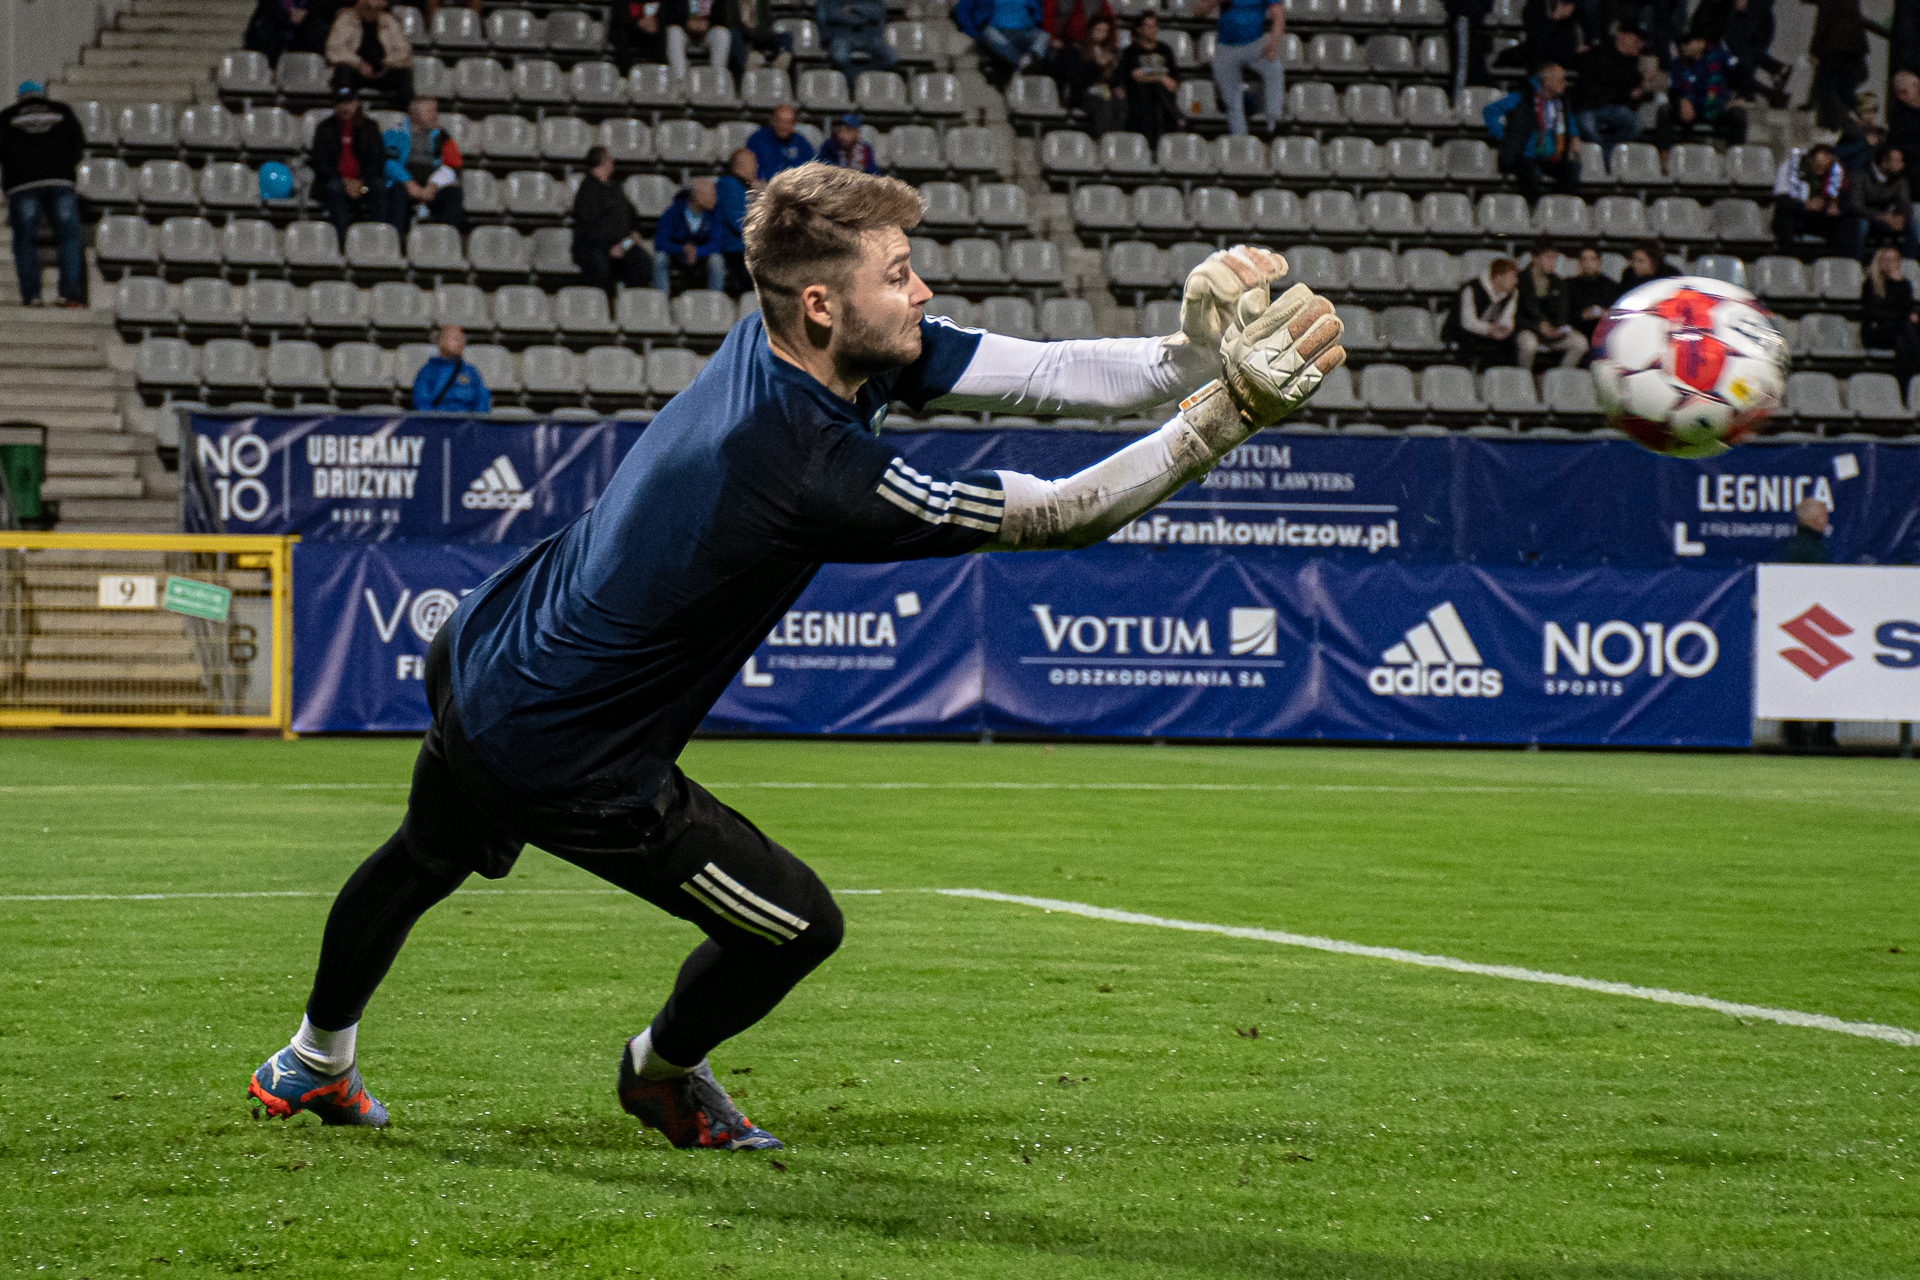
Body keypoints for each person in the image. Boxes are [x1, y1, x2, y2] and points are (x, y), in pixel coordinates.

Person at [242, 163, 1344, 1150]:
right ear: (823, 303)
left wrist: (1189, 349)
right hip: (566, 751)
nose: (921, 293)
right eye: (899, 275)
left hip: (488, 646)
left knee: (420, 858)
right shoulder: (806, 462)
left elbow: (1050, 373)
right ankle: (657, 1073)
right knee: (797, 928)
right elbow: (1062, 512)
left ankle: (314, 1058)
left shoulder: (794, 341)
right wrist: (1222, 418)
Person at [0, 82, 85, 309]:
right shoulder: (62, 111)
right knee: (69, 237)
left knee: (25, 240)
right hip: (60, 180)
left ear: (20, 98)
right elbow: (79, 144)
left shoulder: (7, 116)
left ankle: (32, 297)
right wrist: (64, 165)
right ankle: (68, 295)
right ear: (42, 95)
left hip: (22, 184)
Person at [1774, 498, 1837, 754]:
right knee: (1819, 676)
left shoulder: (1799, 546)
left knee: (1801, 676)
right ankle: (1817, 735)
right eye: (1824, 515)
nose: (1827, 520)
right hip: (1809, 622)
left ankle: (1798, 734)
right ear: (1813, 520)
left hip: (1803, 623)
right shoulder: (1809, 548)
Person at [308, 86, 387, 241]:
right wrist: (345, 181)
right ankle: (343, 240)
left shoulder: (370, 127)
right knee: (334, 188)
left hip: (363, 184)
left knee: (379, 187)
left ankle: (378, 237)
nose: (345, 107)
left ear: (356, 103)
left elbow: (377, 161)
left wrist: (361, 182)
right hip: (337, 182)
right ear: (335, 106)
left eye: (349, 102)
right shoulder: (324, 128)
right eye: (341, 103)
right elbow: (319, 163)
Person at [1196, 0, 1284, 137]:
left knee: (1274, 66)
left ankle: (1274, 121)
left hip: (1255, 43)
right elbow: (1198, 11)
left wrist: (1274, 42)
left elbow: (1278, 15)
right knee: (1231, 98)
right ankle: (1239, 137)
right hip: (1226, 46)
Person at [571, 145, 647, 300]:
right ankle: (605, 306)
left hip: (622, 243)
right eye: (609, 158)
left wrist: (634, 231)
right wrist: (609, 248)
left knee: (641, 261)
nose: (613, 161)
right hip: (594, 246)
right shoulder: (587, 191)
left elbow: (630, 212)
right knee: (600, 266)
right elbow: (588, 229)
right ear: (603, 162)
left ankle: (635, 304)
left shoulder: (615, 187)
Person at [381, 95, 464, 237]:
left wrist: (433, 184)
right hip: (404, 185)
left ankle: (446, 239)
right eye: (430, 111)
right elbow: (389, 163)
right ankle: (396, 240)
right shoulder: (395, 134)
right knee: (397, 193)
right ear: (415, 114)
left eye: (435, 111)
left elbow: (453, 165)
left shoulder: (442, 136)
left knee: (453, 194)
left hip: (433, 186)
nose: (435, 115)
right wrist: (409, 183)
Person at [1498, 63, 1581, 202]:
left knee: (1570, 169)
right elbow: (1516, 132)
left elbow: (1571, 126)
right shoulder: (1526, 100)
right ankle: (1531, 207)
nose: (1565, 84)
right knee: (1531, 172)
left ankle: (1560, 206)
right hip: (1526, 154)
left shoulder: (1562, 103)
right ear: (1547, 81)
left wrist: (1574, 138)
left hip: (1552, 155)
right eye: (1560, 80)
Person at [1651, 35, 1748, 151]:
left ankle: (1736, 154)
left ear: (1701, 42)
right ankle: (1664, 154)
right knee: (1664, 111)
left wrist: (1738, 97)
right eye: (1682, 43)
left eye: (1688, 43)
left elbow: (1740, 72)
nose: (1683, 47)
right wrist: (1681, 101)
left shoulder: (1720, 56)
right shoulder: (1677, 63)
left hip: (1716, 107)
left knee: (1738, 114)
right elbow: (1673, 89)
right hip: (1690, 108)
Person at [1572, 26, 1652, 158]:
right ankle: (1602, 160)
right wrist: (1629, 92)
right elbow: (1608, 82)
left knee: (1634, 124)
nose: (1638, 44)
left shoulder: (1631, 60)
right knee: (1590, 131)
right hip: (1587, 105)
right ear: (1621, 36)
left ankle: (1611, 154)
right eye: (1635, 39)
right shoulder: (1600, 53)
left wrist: (1636, 89)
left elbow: (1627, 88)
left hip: (1610, 106)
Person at [326, 0, 414, 108]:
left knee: (403, 74)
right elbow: (334, 49)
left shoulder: (389, 22)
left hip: (383, 70)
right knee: (342, 71)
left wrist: (385, 65)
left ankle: (397, 112)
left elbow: (404, 51)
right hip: (356, 71)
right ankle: (344, 107)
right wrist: (358, 63)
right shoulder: (346, 20)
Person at [1515, 241, 1587, 370]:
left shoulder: (1558, 283)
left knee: (1580, 343)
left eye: (1554, 258)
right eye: (1548, 257)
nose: (1552, 262)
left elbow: (1562, 311)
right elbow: (1516, 315)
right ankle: (1524, 377)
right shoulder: (1519, 281)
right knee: (1529, 345)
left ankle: (1559, 377)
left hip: (1553, 332)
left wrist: (1556, 328)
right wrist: (1538, 326)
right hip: (1529, 329)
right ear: (1535, 258)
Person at [1119, 13, 1183, 148]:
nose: (1152, 30)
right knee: (1153, 89)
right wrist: (1161, 78)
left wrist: (1152, 76)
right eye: (1148, 26)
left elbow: (1174, 83)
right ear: (1139, 29)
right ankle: (1176, 116)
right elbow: (1136, 75)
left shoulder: (1165, 50)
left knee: (1159, 92)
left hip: (1162, 100)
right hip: (1138, 100)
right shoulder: (1131, 52)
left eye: (1154, 26)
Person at [653, 177, 726, 295]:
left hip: (702, 255)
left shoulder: (715, 214)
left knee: (716, 260)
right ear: (698, 197)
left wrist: (696, 251)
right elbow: (660, 242)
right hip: (676, 255)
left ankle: (715, 298)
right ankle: (662, 297)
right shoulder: (673, 213)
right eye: (711, 194)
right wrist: (682, 249)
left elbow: (716, 244)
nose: (715, 198)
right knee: (659, 258)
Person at [1443, 257, 1521, 368]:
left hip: (1490, 331)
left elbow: (1508, 318)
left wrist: (1505, 329)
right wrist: (1490, 329)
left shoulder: (1512, 293)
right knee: (1468, 342)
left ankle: (1505, 374)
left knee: (1510, 343)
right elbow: (1468, 322)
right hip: (1462, 330)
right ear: (1499, 277)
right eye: (1512, 277)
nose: (1515, 281)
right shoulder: (1471, 289)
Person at [1844, 144, 1917, 260]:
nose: (1902, 165)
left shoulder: (1901, 180)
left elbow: (1905, 203)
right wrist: (1879, 216)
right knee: (1861, 226)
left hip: (1889, 218)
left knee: (1911, 226)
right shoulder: (1861, 175)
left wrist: (1901, 217)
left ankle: (1908, 265)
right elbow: (1856, 205)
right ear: (1884, 162)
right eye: (1897, 161)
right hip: (1867, 217)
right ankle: (1857, 262)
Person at [1771, 143, 1848, 252]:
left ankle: (1835, 258)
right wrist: (1805, 206)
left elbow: (1840, 195)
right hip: (1795, 214)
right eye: (1817, 165)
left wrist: (1831, 205)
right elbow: (1781, 200)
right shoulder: (1791, 166)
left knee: (1845, 221)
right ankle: (1786, 254)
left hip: (1818, 216)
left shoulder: (1834, 171)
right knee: (1784, 216)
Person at [1862, 244, 1920, 388]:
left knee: (1903, 342)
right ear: (1879, 262)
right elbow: (1874, 312)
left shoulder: (1904, 283)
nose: (1889, 263)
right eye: (1885, 260)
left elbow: (1908, 308)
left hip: (1899, 332)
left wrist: (1898, 283)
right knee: (1907, 333)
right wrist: (1901, 317)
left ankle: (1903, 384)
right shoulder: (1870, 284)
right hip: (1876, 331)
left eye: (1893, 260)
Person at [1806, 0, 1868, 132]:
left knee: (1826, 88)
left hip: (1832, 47)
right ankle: (1858, 120)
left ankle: (1830, 126)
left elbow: (1823, 22)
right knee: (1845, 88)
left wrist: (1814, 50)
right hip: (1852, 47)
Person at [1053, 15, 1122, 131]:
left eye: (1105, 31)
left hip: (1104, 91)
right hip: (1084, 93)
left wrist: (1113, 72)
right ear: (1091, 31)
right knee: (1102, 103)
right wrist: (1097, 65)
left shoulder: (1109, 53)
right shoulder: (1077, 50)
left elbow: (1114, 80)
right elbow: (1077, 78)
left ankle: (1115, 135)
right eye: (1098, 30)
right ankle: (1102, 136)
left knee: (1120, 100)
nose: (1101, 34)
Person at [954, 0, 1051, 76]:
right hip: (997, 33)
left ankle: (1030, 58)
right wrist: (972, 33)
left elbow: (1037, 15)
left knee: (1044, 36)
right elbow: (962, 12)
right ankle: (1020, 61)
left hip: (1024, 32)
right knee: (989, 33)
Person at [817, 0, 894, 94]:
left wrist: (853, 8)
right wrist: (859, 15)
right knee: (840, 57)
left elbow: (877, 11)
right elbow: (828, 15)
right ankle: (848, 91)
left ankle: (874, 91)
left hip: (868, 35)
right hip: (840, 35)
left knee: (889, 57)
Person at [410, 324, 491, 413]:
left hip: (468, 420)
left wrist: (475, 420)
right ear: (441, 341)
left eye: (462, 340)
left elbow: (483, 402)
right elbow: (422, 405)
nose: (460, 343)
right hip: (438, 419)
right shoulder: (427, 372)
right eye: (455, 339)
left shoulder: (471, 372)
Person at [712, 147, 757, 297]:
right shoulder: (730, 185)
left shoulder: (741, 187)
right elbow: (738, 221)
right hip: (733, 249)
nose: (756, 167)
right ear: (739, 166)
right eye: (753, 163)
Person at [244, 0, 333, 65]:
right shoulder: (268, 9)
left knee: (316, 28)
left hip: (308, 42)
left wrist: (307, 13)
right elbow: (253, 33)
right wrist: (286, 14)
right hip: (276, 36)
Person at [1565, 245, 1622, 344]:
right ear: (1579, 263)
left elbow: (1618, 313)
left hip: (1603, 333)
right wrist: (1581, 315)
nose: (1588, 263)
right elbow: (1563, 314)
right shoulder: (1569, 285)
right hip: (1577, 332)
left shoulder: (1610, 286)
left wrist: (1604, 313)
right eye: (1584, 260)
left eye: (1592, 259)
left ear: (1599, 262)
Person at [745, 103, 815, 180]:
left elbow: (810, 168)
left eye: (789, 122)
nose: (784, 126)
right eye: (781, 121)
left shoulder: (801, 143)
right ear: (773, 121)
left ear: (794, 124)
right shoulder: (757, 140)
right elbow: (749, 170)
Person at [668, 0, 734, 81]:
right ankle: (680, 79)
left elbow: (723, 17)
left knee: (722, 33)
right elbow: (670, 14)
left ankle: (717, 80)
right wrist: (685, 22)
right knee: (673, 31)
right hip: (685, 33)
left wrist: (708, 23)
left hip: (708, 34)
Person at [1445, 0, 1495, 97]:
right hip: (1464, 14)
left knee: (1475, 69)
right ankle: (1459, 100)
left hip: (1476, 17)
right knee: (1464, 69)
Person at [609, 0, 670, 71]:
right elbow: (616, 28)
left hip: (656, 43)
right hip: (628, 41)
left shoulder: (665, 4)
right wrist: (638, 24)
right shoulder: (622, 3)